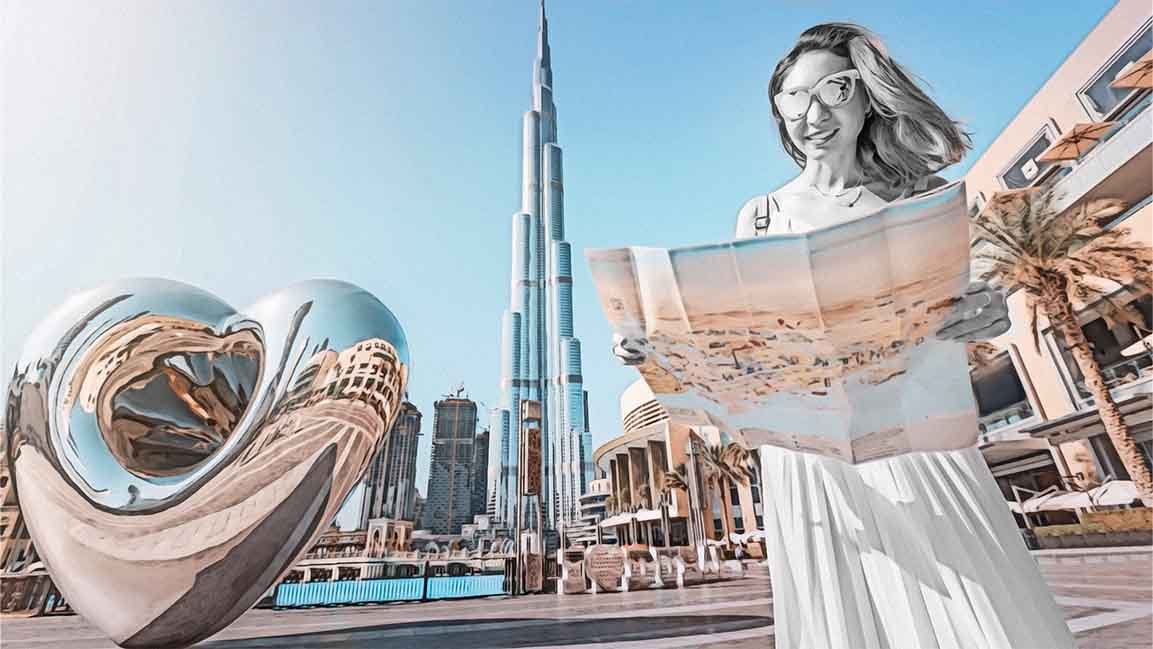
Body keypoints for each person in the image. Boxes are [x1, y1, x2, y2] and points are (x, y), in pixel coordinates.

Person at [614, 23, 1073, 649]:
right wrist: (658, 349)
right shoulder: (761, 215)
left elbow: (977, 303)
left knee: (981, 615)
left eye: (834, 89)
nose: (813, 113)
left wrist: (990, 307)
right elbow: (746, 348)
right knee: (846, 621)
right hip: (805, 455)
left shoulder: (921, 196)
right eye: (793, 99)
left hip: (917, 438)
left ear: (866, 94)